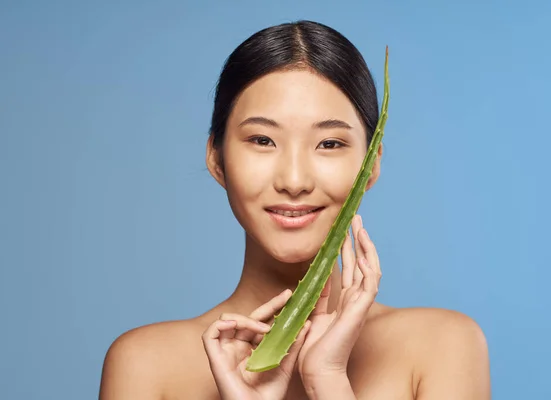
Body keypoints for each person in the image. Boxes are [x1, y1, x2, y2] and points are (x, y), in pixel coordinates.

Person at [99, 20, 491, 399]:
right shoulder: (146, 364)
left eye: (329, 144)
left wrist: (328, 380)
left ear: (371, 164)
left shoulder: (441, 347)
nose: (294, 179)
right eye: (263, 140)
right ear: (216, 158)